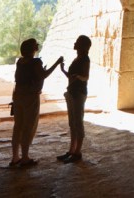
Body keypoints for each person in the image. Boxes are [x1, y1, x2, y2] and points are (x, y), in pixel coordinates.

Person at [10, 38, 63, 168]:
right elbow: (43, 75)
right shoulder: (36, 62)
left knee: (18, 127)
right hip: (31, 97)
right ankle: (25, 158)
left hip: (18, 96)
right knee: (28, 126)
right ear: (33, 49)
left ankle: (15, 157)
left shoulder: (20, 62)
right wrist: (57, 63)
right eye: (35, 46)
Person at [57, 35, 91, 163]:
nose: (74, 43)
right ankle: (72, 150)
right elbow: (72, 77)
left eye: (77, 42)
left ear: (82, 45)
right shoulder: (78, 58)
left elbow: (86, 77)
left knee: (78, 123)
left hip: (79, 93)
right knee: (72, 123)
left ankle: (77, 152)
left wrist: (78, 77)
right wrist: (63, 70)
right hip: (72, 92)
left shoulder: (85, 59)